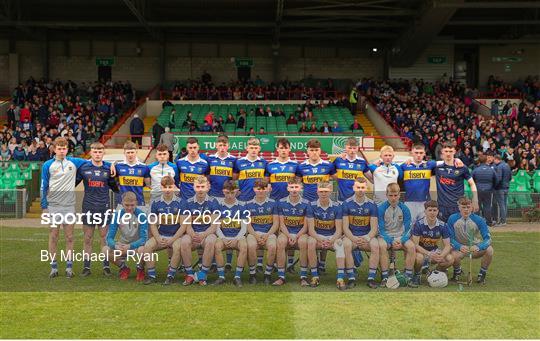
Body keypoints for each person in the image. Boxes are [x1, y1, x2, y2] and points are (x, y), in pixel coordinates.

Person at [41, 137, 91, 278]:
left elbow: (93, 162)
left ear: (67, 149)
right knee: (54, 236)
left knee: (69, 237)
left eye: (64, 149)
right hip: (53, 207)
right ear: (54, 149)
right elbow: (43, 186)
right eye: (59, 148)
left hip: (69, 206)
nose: (62, 151)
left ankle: (69, 267)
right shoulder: (47, 165)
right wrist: (44, 206)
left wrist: (110, 165)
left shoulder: (74, 162)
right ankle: (53, 268)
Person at [76, 142, 118, 276]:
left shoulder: (108, 168)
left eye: (100, 152)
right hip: (88, 206)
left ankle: (106, 266)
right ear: (91, 153)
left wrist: (115, 174)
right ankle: (86, 267)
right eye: (95, 152)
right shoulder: (84, 168)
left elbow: (115, 188)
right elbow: (72, 182)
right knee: (88, 238)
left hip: (104, 207)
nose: (97, 154)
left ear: (103, 153)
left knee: (104, 238)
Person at [142, 176, 185, 285]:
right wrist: (157, 238)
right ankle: (152, 275)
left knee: (177, 246)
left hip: (176, 236)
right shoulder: (156, 203)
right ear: (161, 187)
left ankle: (170, 275)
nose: (167, 190)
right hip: (161, 235)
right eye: (165, 187)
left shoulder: (181, 202)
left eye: (170, 187)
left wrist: (173, 239)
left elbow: (183, 226)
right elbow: (153, 224)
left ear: (174, 187)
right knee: (147, 246)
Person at [178, 176, 220, 286]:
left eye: (203, 187)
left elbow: (214, 225)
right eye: (198, 187)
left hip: (207, 234)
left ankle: (202, 274)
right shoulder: (187, 202)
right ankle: (190, 274)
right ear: (194, 187)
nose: (200, 189)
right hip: (193, 234)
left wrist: (203, 235)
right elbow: (186, 224)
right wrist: (193, 234)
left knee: (211, 240)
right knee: (184, 241)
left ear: (208, 187)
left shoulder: (213, 202)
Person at [306, 181, 346, 290]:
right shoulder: (311, 205)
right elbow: (311, 230)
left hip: (332, 236)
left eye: (326, 191)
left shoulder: (337, 206)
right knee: (310, 242)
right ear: (317, 192)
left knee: (340, 244)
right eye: (321, 191)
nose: (323, 194)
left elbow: (339, 230)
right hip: (317, 236)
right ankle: (315, 276)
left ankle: (340, 278)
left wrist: (331, 240)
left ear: (330, 192)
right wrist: (320, 240)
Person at [342, 178, 380, 289]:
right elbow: (345, 227)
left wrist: (367, 238)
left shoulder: (372, 205)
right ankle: (351, 278)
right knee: (346, 245)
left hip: (366, 236)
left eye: (362, 187)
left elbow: (374, 228)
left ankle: (371, 279)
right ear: (354, 188)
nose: (360, 190)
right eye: (358, 187)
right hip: (351, 236)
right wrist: (354, 238)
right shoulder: (346, 203)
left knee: (375, 245)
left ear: (366, 188)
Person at [377, 183, 417, 287]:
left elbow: (408, 229)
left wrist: (401, 240)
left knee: (412, 247)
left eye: (395, 195)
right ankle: (385, 277)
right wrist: (390, 240)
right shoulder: (381, 208)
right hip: (386, 236)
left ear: (399, 195)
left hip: (401, 237)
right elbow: (380, 229)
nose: (393, 198)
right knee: (381, 246)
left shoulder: (405, 209)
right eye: (391, 195)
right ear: (386, 195)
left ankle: (408, 277)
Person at [447, 197, 493, 284]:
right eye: (463, 207)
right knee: (453, 254)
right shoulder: (452, 218)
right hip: (459, 248)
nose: (466, 210)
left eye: (468, 207)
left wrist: (478, 246)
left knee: (489, 250)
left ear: (472, 207)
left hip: (474, 247)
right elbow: (450, 239)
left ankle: (482, 274)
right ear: (459, 207)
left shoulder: (479, 220)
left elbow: (488, 239)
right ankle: (457, 272)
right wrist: (459, 246)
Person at [103, 192, 148, 281]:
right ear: (122, 203)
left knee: (143, 250)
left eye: (132, 205)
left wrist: (131, 246)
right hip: (123, 247)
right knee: (105, 250)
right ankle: (124, 268)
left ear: (136, 203)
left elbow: (144, 238)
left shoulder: (142, 215)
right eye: (126, 205)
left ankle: (140, 268)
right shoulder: (117, 215)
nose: (129, 208)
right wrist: (116, 245)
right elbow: (109, 238)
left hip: (137, 247)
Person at [274, 178, 310, 286]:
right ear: (287, 188)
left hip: (301, 233)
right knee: (280, 242)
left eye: (296, 187)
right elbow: (281, 224)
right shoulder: (281, 202)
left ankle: (303, 277)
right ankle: (281, 276)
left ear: (301, 188)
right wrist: (289, 235)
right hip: (286, 232)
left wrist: (297, 236)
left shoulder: (306, 203)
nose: (294, 190)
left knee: (304, 243)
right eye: (292, 187)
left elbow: (306, 225)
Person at [411, 200, 454, 286]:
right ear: (425, 211)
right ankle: (416, 275)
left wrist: (441, 255)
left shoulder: (443, 225)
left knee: (449, 259)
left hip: (434, 251)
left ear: (438, 211)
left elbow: (447, 246)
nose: (432, 213)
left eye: (434, 210)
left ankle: (435, 273)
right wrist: (428, 253)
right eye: (430, 210)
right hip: (421, 251)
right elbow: (415, 245)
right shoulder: (418, 224)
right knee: (419, 258)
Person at [214, 180, 248, 287]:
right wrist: (223, 238)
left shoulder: (242, 205)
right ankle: (221, 276)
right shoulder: (218, 205)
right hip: (223, 236)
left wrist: (236, 239)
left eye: (232, 193)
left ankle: (237, 277)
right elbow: (216, 227)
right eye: (227, 193)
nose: (229, 195)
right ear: (223, 192)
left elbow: (244, 227)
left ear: (237, 192)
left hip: (237, 237)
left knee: (244, 246)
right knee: (217, 245)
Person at [435, 141, 479, 222]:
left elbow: (472, 184)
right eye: (446, 151)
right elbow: (422, 165)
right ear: (442, 152)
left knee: (458, 231)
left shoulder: (462, 167)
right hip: (442, 206)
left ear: (454, 152)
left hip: (458, 206)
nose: (448, 154)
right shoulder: (437, 166)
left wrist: (475, 200)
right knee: (443, 232)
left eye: (451, 151)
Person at [246, 179, 279, 285]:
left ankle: (267, 274)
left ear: (267, 189)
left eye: (263, 189)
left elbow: (275, 224)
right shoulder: (248, 204)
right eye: (258, 189)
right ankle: (252, 274)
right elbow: (248, 225)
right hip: (253, 233)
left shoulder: (273, 203)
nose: (261, 191)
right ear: (254, 189)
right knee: (250, 246)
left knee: (273, 246)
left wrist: (267, 235)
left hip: (269, 233)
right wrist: (256, 236)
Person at [333, 137, 373, 202]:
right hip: (342, 199)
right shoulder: (338, 160)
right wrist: (338, 179)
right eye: (350, 148)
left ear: (358, 148)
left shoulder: (362, 162)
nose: (352, 150)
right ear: (345, 147)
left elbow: (371, 179)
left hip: (357, 200)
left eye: (354, 148)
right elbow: (329, 172)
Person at [114, 141, 151, 208]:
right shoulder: (118, 166)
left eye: (132, 152)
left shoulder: (144, 167)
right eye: (128, 153)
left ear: (136, 152)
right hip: (122, 203)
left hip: (139, 202)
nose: (130, 155)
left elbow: (148, 184)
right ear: (124, 153)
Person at [234, 137, 268, 201]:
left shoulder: (264, 162)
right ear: (247, 148)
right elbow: (234, 178)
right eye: (251, 148)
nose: (254, 150)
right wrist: (237, 190)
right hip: (243, 197)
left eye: (256, 148)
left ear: (259, 149)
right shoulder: (239, 162)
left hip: (259, 198)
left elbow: (266, 181)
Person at [472, 154, 498, 226]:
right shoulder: (491, 170)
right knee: (487, 206)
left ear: (479, 161)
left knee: (477, 206)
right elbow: (496, 180)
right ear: (486, 160)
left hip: (478, 190)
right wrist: (492, 186)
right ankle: (489, 222)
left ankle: (476, 222)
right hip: (488, 190)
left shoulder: (476, 170)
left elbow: (471, 180)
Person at [493, 155, 512, 226]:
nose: (494, 162)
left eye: (494, 160)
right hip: (506, 187)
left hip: (500, 188)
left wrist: (495, 186)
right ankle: (504, 220)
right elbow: (510, 177)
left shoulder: (499, 166)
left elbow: (499, 178)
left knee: (501, 205)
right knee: (504, 204)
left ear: (497, 159)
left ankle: (502, 221)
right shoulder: (507, 165)